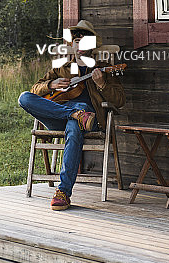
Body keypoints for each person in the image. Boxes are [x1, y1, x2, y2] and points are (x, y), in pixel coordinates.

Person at [18, 19, 125, 210]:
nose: (80, 45)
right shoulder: (61, 69)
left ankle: (63, 192)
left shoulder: (101, 69)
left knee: (74, 127)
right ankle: (74, 113)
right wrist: (50, 85)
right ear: (72, 45)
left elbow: (119, 101)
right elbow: (35, 89)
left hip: (88, 119)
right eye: (76, 41)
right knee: (24, 98)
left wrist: (102, 85)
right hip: (59, 115)